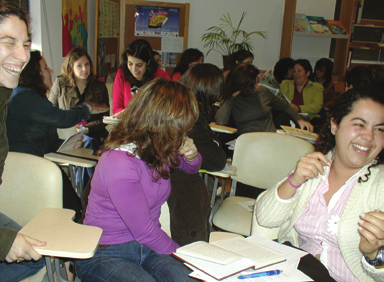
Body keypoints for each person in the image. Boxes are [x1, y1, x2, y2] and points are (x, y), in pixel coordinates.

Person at [76, 79, 202, 282]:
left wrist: (191, 155)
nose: (184, 134)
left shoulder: (156, 144)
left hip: (148, 247)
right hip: (105, 252)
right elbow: (145, 231)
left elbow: (191, 168)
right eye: (181, 127)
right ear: (161, 124)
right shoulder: (120, 162)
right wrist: (188, 258)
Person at [256, 87, 384, 282]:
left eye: (379, 129)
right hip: (296, 273)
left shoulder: (380, 186)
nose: (369, 137)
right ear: (335, 125)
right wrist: (294, 180)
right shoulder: (314, 167)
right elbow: (265, 218)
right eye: (359, 124)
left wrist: (374, 255)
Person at [6, 50, 91, 220]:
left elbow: (46, 140)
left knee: (72, 201)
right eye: (45, 68)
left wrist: (65, 144)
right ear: (35, 73)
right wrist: (85, 109)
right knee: (69, 201)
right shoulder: (23, 98)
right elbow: (61, 118)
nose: (50, 71)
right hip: (23, 168)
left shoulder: (34, 98)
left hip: (36, 162)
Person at [0, 2, 45, 281]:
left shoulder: (4, 98)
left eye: (26, 44)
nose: (22, 55)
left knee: (38, 254)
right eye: (8, 42)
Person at [169, 63, 227, 246]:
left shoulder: (179, 104)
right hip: (179, 187)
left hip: (178, 174)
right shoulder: (190, 117)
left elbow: (195, 160)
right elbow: (217, 160)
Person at [215, 63, 313, 136]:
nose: (257, 86)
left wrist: (299, 120)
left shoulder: (263, 92)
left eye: (257, 82)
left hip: (270, 136)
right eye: (254, 84)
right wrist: (231, 97)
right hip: (249, 139)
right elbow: (221, 121)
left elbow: (285, 107)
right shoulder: (233, 98)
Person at [112, 39, 170, 114]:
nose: (134, 69)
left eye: (139, 65)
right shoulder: (122, 74)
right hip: (128, 123)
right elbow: (116, 108)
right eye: (130, 64)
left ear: (148, 62)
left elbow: (166, 109)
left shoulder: (161, 76)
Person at [280, 59, 324, 132]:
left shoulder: (317, 87)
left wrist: (298, 108)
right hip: (289, 118)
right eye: (294, 71)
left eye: (299, 70)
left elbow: (317, 106)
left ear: (308, 73)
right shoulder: (285, 84)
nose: (296, 74)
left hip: (310, 119)